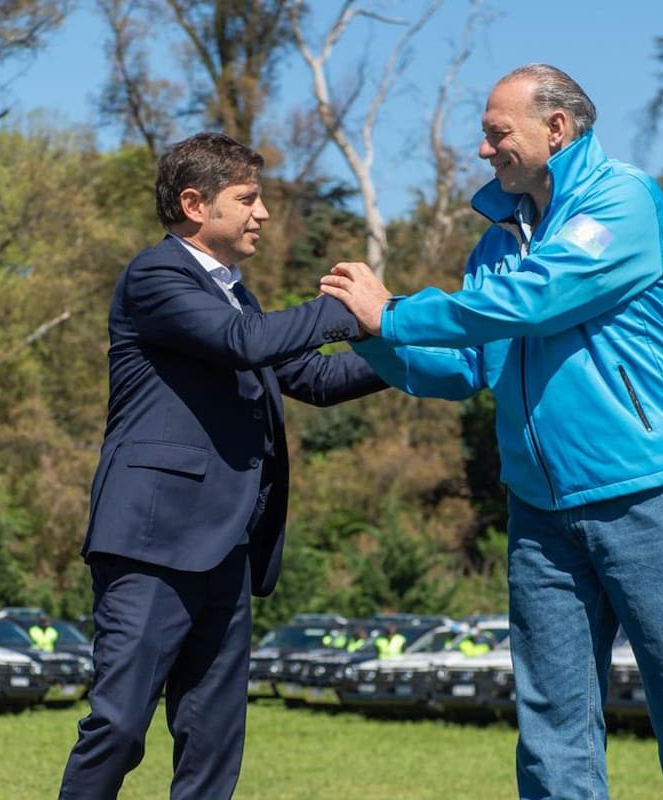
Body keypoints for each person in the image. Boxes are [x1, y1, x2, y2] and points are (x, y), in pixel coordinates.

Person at [320, 63, 663, 798]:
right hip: (541, 518)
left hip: (656, 499)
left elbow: (536, 300)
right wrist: (370, 337)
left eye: (496, 133)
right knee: (551, 741)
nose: (484, 151)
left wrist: (391, 310)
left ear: (557, 128)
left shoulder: (624, 200)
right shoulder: (497, 243)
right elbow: (466, 369)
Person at [59, 132, 386, 800]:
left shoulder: (239, 296)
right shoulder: (156, 276)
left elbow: (314, 381)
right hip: (152, 545)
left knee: (212, 745)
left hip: (229, 548)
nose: (263, 213)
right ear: (194, 205)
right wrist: (346, 309)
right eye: (248, 198)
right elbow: (244, 345)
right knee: (120, 727)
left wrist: (416, 346)